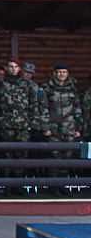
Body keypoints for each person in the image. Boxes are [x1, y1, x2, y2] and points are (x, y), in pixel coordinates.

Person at [0, 58, 39, 196]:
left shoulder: (27, 85)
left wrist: (34, 126)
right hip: (5, 125)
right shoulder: (0, 85)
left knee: (21, 156)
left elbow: (33, 107)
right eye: (11, 67)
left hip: (23, 126)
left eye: (16, 67)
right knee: (6, 156)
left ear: (19, 69)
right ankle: (7, 186)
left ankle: (18, 185)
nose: (13, 69)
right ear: (7, 68)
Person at [40, 63, 81, 196]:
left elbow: (77, 109)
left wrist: (78, 127)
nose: (62, 74)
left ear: (68, 73)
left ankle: (63, 185)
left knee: (66, 158)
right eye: (59, 72)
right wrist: (45, 127)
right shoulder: (47, 88)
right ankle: (54, 186)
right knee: (54, 157)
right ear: (54, 73)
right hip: (54, 128)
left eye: (64, 72)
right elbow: (43, 108)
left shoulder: (72, 89)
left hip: (69, 128)